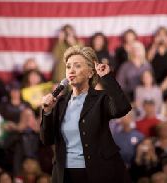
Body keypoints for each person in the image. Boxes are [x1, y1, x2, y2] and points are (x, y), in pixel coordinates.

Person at [40, 46, 131, 183]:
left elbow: (122, 108)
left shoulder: (101, 99)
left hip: (99, 172)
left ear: (90, 73)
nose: (71, 70)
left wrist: (107, 77)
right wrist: (47, 112)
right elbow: (47, 140)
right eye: (68, 66)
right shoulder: (60, 103)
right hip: (65, 174)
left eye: (77, 66)